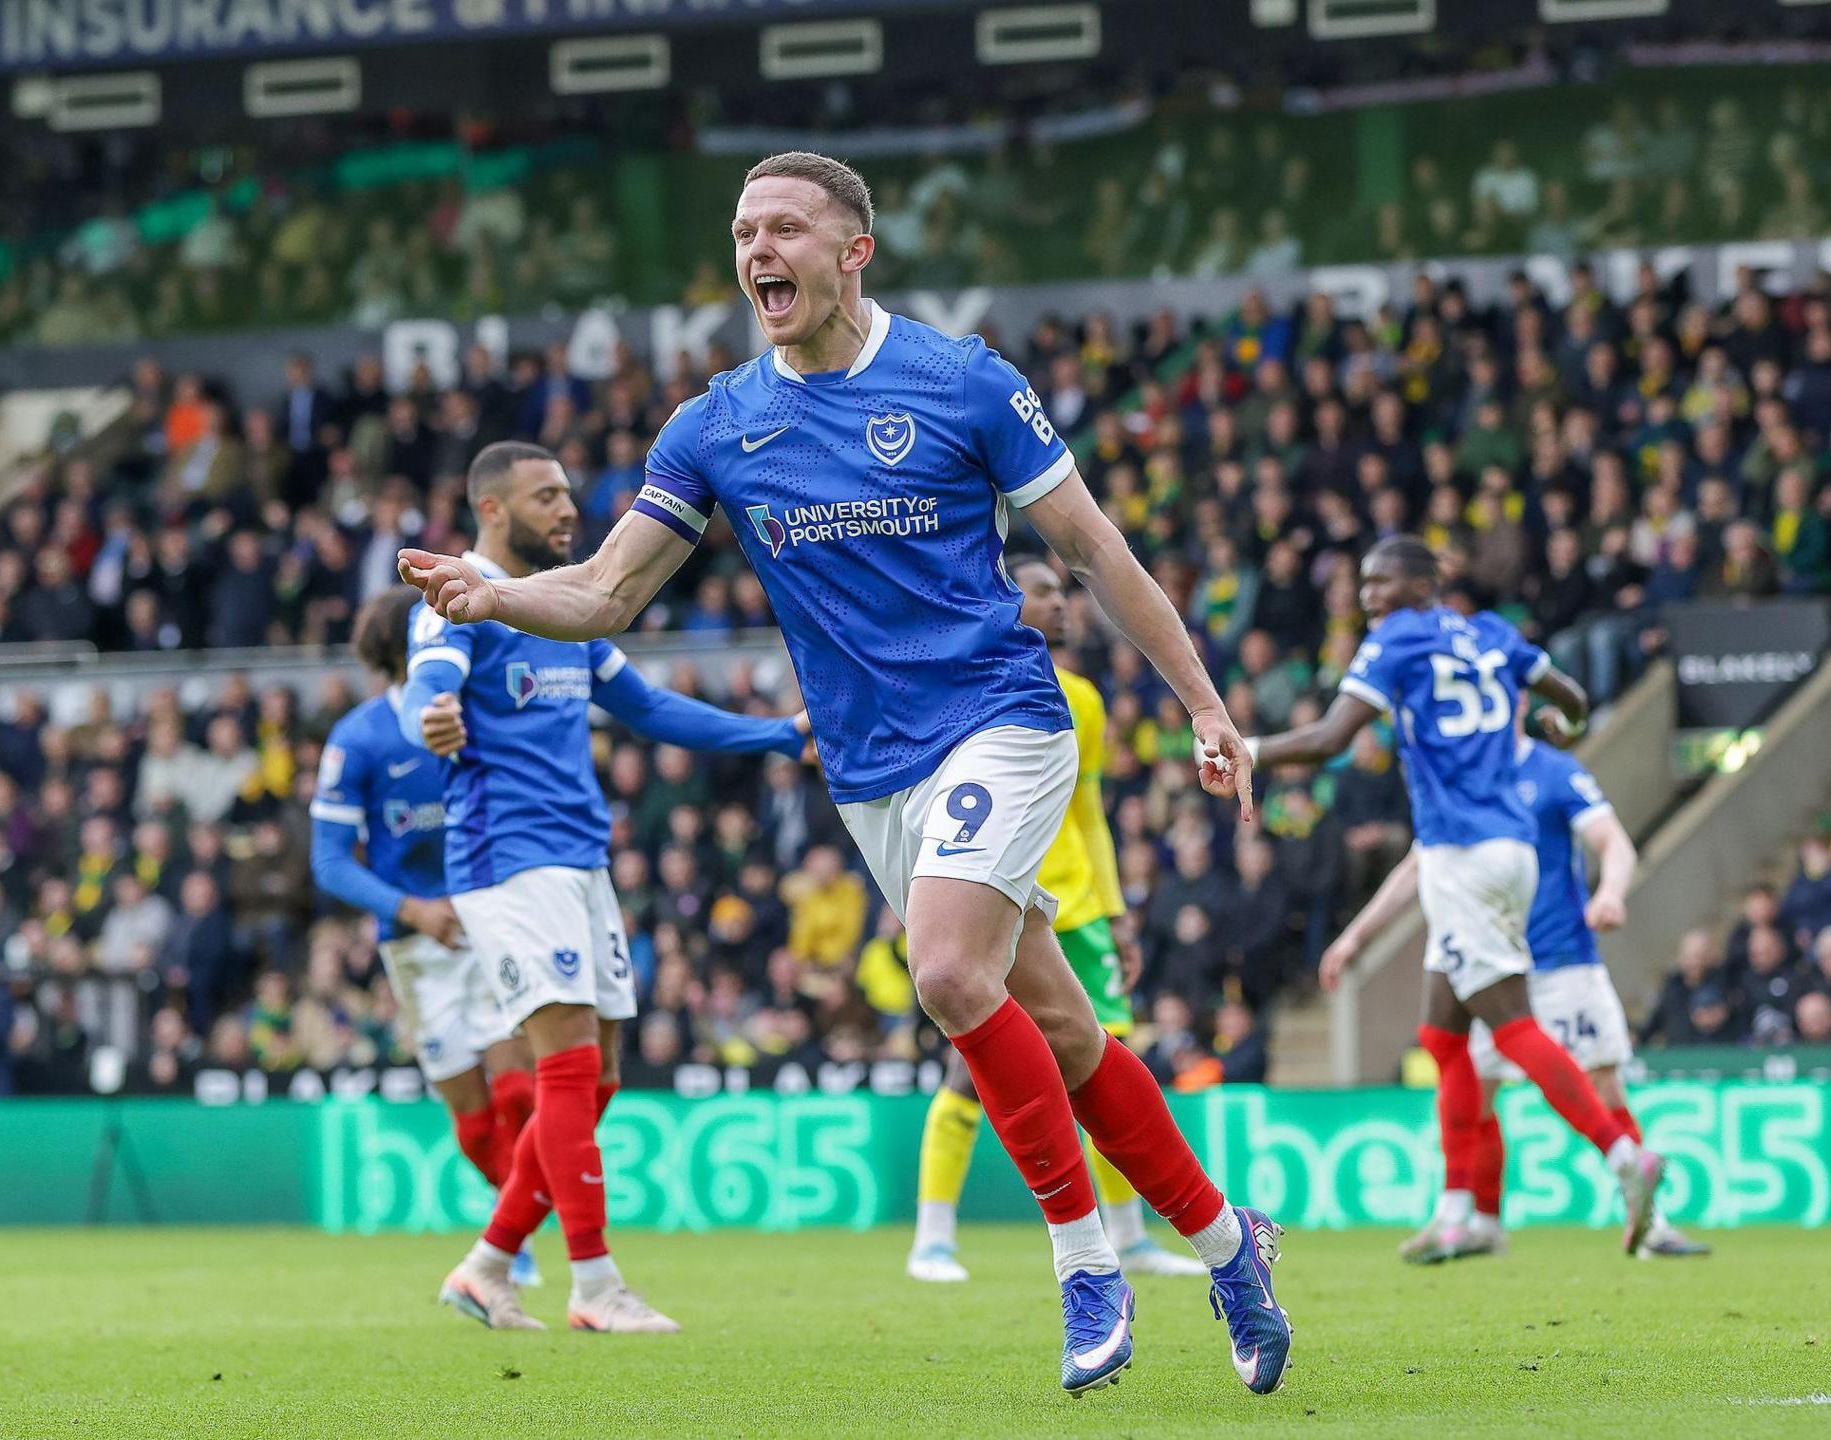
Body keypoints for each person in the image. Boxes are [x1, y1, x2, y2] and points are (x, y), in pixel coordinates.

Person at [398, 153, 1290, 1397]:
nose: (758, 247)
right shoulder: (715, 424)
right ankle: (1222, 1239)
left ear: (852, 251)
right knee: (1065, 1029)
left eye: (786, 227)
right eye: (742, 229)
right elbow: (605, 589)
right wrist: (492, 596)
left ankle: (1084, 1260)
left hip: (1000, 719)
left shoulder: (959, 380)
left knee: (944, 971)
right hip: (871, 772)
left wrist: (1205, 704)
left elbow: (1091, 546)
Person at [407, 441, 809, 1335]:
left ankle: (485, 1266)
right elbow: (424, 688)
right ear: (495, 509)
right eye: (546, 496)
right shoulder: (457, 598)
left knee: (601, 1078)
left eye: (565, 493)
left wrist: (777, 734)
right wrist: (428, 718)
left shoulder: (562, 614)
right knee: (568, 1064)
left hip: (578, 859)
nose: (568, 510)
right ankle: (593, 1285)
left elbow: (652, 711)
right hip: (506, 861)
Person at [1243, 536, 1670, 1256]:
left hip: (1464, 854)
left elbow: (1328, 738)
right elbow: (1571, 695)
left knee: (1509, 1027)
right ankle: (1459, 1210)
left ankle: (1625, 1158)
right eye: (1363, 584)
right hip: (1498, 851)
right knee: (1444, 1036)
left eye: (1381, 582)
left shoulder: (1398, 643)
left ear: (1422, 583)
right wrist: (1560, 724)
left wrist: (1247, 750)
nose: (1368, 597)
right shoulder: (1492, 634)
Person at [907, 555, 1205, 1284]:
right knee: (966, 1071)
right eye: (1044, 591)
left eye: (1066, 591)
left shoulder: (1084, 700)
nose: (1063, 604)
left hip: (1078, 908)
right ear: (1005, 601)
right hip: (998, 897)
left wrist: (1114, 912)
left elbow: (1091, 816)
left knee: (1107, 1059)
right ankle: (933, 1237)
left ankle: (1130, 1235)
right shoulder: (960, 691)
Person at [1322, 718, 1707, 1261]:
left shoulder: (1554, 771)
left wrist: (1611, 892)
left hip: (1560, 960)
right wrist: (1355, 936)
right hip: (1486, 960)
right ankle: (1482, 1221)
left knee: (1603, 1082)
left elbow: (1611, 841)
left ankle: (1654, 1224)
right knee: (1473, 1088)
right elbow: (1418, 865)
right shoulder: (1465, 773)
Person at [309, 586, 539, 1289]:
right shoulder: (357, 739)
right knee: (471, 1117)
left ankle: (511, 1235)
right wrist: (412, 910)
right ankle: (516, 1231)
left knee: (519, 1094)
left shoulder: (477, 712)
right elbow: (327, 862)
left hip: (488, 921)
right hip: (415, 947)